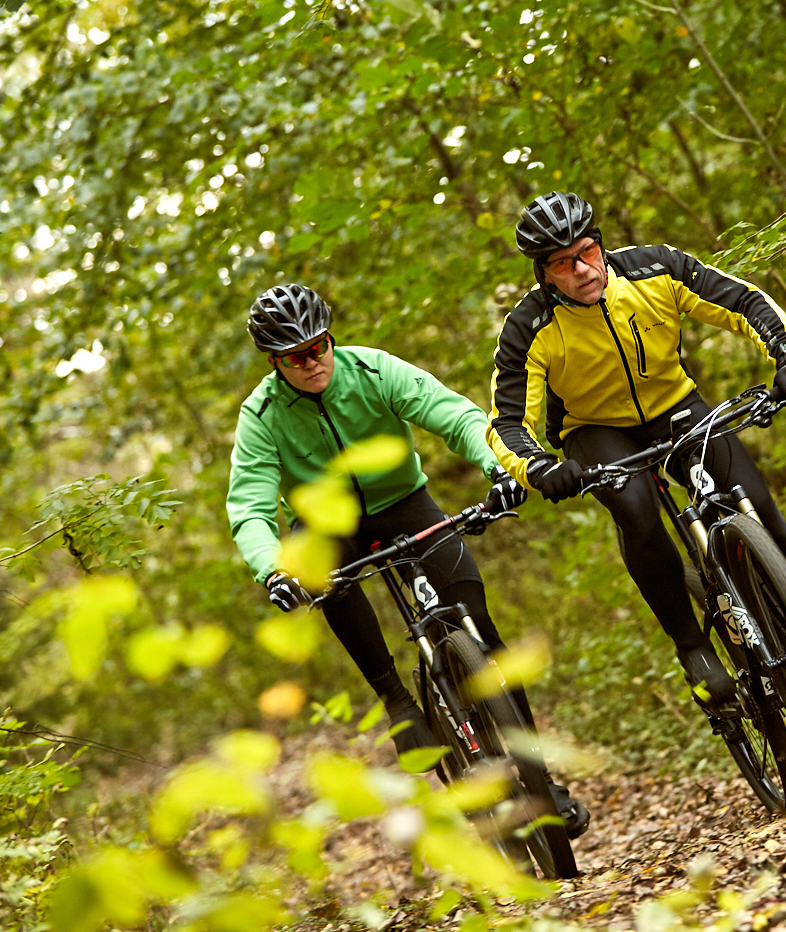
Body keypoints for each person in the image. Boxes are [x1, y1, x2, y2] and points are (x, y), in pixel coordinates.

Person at [226, 283, 589, 837]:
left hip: (404, 503)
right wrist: (271, 568)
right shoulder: (263, 415)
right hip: (327, 525)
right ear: (275, 362)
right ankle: (396, 699)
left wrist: (499, 467)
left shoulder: (373, 371)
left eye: (319, 346)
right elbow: (250, 503)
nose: (313, 362)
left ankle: (541, 779)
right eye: (296, 357)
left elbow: (452, 414)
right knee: (322, 577)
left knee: (483, 633)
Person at [486, 192, 786, 713]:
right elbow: (507, 422)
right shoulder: (528, 328)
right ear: (544, 274)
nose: (581, 269)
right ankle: (692, 649)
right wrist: (538, 467)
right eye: (562, 263)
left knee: (759, 507)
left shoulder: (655, 268)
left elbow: (744, 301)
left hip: (676, 405)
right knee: (638, 510)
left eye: (587, 251)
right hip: (594, 431)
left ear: (602, 245)